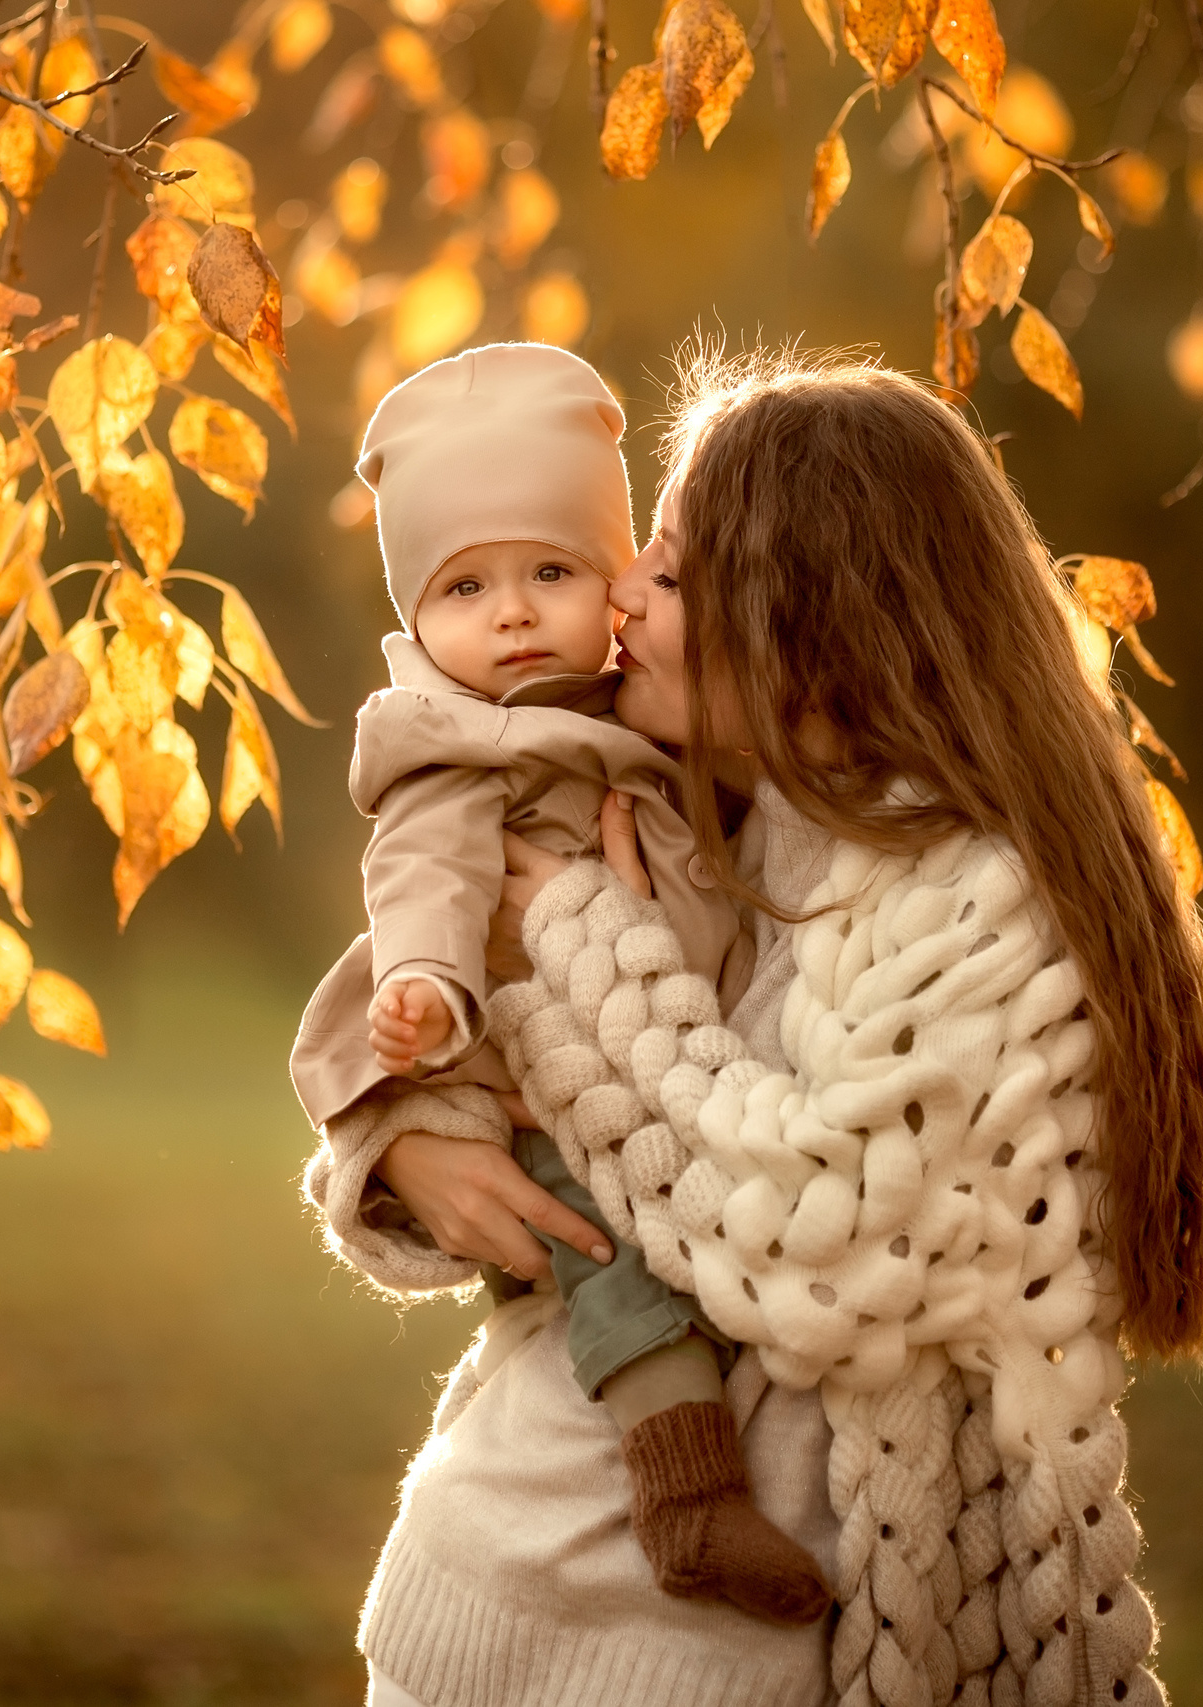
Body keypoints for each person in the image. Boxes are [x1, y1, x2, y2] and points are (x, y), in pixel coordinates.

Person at [304, 348, 1203, 1707]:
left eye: (679, 573)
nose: (622, 593)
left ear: (821, 625)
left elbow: (823, 1229)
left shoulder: (976, 901)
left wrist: (588, 951)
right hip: (528, 1586)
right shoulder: (721, 826)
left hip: (700, 1645)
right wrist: (395, 1144)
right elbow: (416, 989)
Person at [292, 341, 831, 1627]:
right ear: (414, 623)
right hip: (524, 1080)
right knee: (606, 1252)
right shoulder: (462, 754)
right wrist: (424, 986)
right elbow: (421, 881)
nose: (517, 614)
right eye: (466, 588)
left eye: (553, 572)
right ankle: (685, 1488)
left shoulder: (654, 718)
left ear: (612, 589)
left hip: (688, 1104)